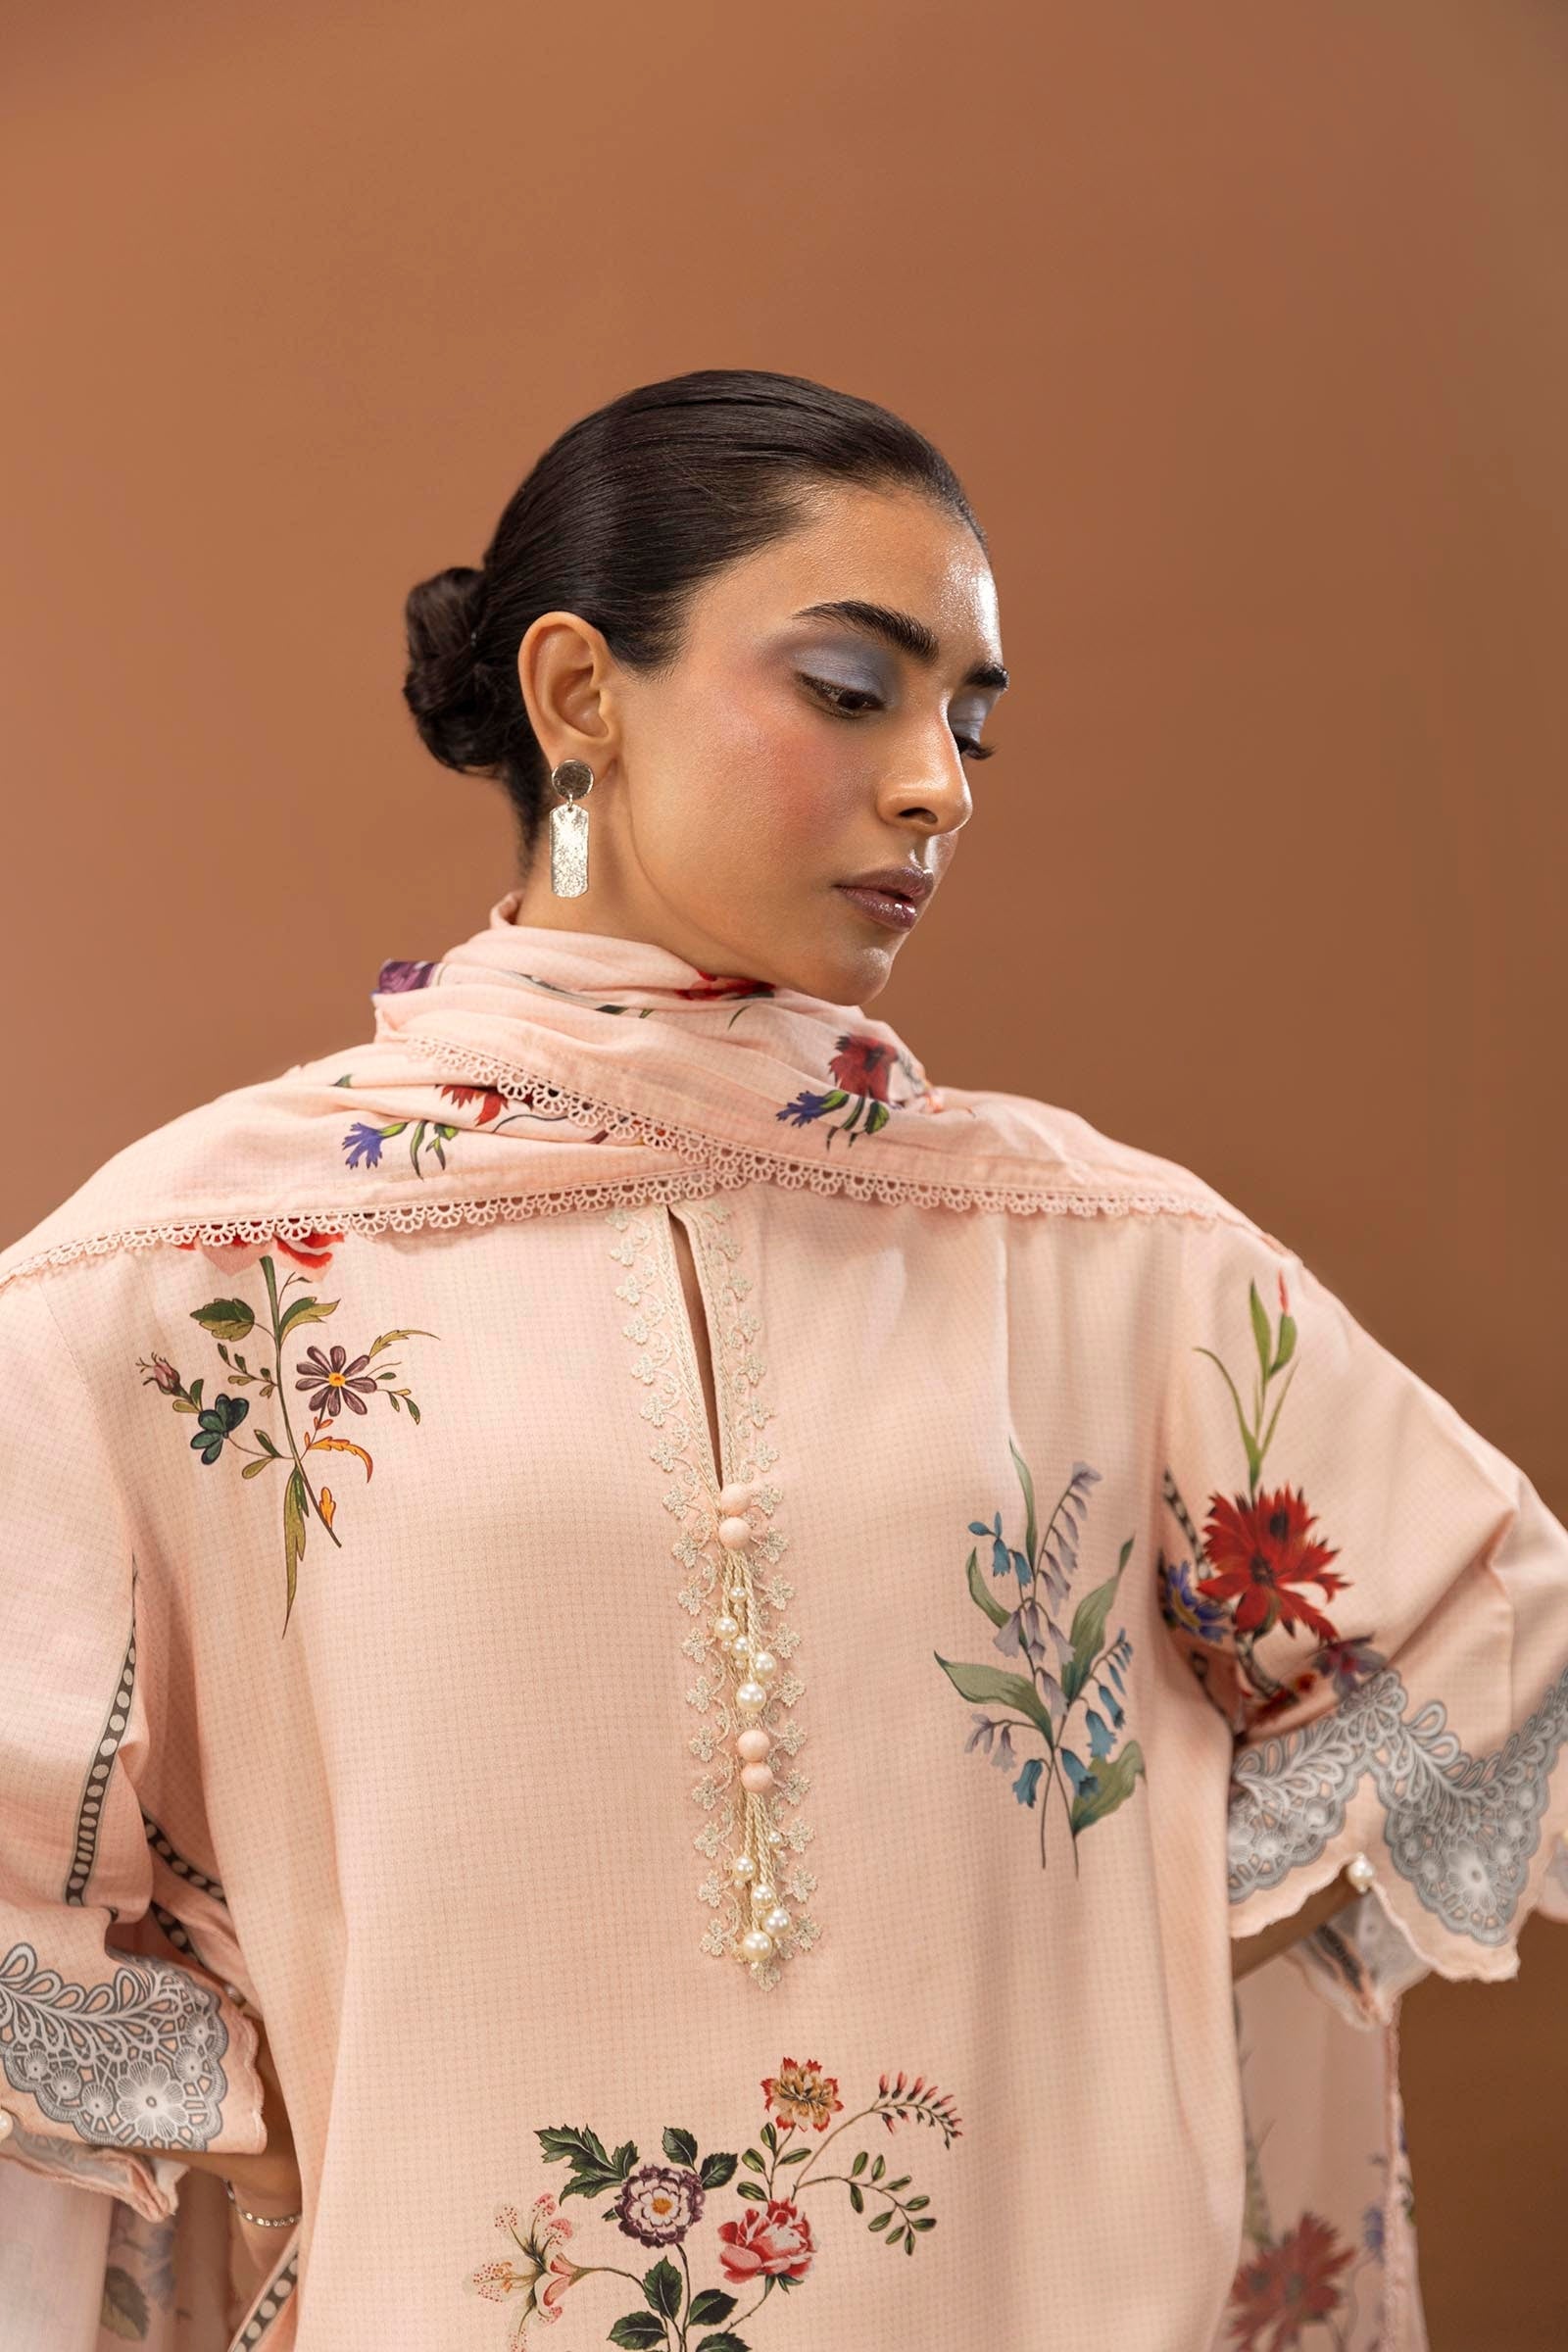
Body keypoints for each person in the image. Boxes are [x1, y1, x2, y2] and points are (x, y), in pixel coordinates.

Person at [1, 367, 1564, 2352]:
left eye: (967, 721)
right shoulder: (185, 1283)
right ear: (578, 693)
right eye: (850, 688)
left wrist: (1120, 1949)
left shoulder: (1097, 1263)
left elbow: (1498, 1639)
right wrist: (263, 2117)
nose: (938, 786)